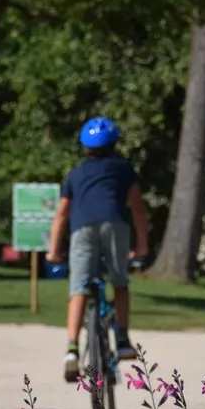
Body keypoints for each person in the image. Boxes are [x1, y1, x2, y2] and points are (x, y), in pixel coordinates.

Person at [47, 116, 150, 383]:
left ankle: (71, 349)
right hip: (115, 224)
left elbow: (61, 215)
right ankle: (124, 339)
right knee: (119, 282)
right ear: (115, 144)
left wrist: (54, 251)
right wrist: (141, 245)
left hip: (82, 229)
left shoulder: (75, 174)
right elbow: (137, 209)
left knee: (79, 288)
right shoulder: (124, 169)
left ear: (84, 147)